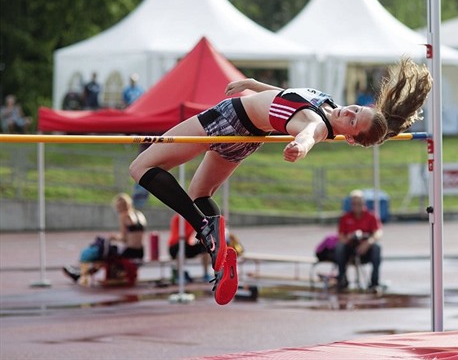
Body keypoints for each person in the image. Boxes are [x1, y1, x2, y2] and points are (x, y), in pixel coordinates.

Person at [129, 57, 432, 305]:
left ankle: (206, 230)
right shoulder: (327, 103)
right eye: (356, 110)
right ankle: (218, 252)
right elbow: (288, 97)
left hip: (228, 119)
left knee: (141, 167)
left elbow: (308, 133)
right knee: (200, 192)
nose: (348, 112)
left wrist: (300, 147)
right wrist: (253, 85)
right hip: (248, 137)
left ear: (350, 139)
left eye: (352, 121)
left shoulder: (319, 125)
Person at [63, 193, 146, 284]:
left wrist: (113, 237)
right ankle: (79, 273)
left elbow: (124, 238)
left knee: (103, 254)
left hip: (130, 252)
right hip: (141, 252)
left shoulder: (124, 216)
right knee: (107, 251)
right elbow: (136, 235)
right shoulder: (139, 215)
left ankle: (80, 273)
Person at [335, 189, 383, 294]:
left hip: (366, 249)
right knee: (339, 247)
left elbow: (378, 233)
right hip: (350, 248)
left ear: (363, 203)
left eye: (359, 203)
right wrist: (349, 239)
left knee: (377, 248)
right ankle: (342, 279)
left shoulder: (371, 216)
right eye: (354, 203)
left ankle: (375, 283)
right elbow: (340, 235)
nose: (357, 206)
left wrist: (368, 243)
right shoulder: (345, 217)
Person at [168, 214, 211, 283]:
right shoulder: (178, 218)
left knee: (205, 246)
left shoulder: (193, 218)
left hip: (186, 245)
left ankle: (206, 274)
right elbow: (180, 236)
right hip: (175, 246)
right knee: (182, 246)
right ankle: (179, 275)